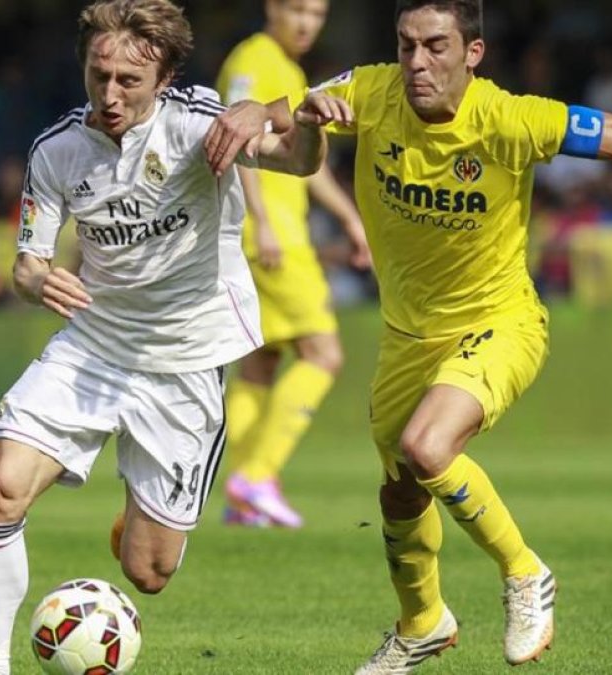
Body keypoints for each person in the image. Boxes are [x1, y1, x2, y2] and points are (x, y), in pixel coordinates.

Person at [209, 0, 612, 671]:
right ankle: (423, 623)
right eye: (407, 45)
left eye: (437, 47)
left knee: (426, 443)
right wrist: (264, 114)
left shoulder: (512, 117)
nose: (418, 63)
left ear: (473, 53)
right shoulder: (370, 88)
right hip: (406, 338)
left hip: (498, 322)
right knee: (400, 492)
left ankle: (525, 572)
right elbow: (288, 121)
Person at [0, 1, 325, 674]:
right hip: (94, 342)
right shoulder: (58, 149)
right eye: (99, 75)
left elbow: (298, 160)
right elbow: (25, 264)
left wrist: (274, 112)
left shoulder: (199, 123)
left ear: (166, 76)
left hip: (185, 360)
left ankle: (140, 520)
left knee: (148, 571)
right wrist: (39, 283)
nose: (110, 94)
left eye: (130, 80)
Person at [215, 0, 371, 528]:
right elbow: (238, 139)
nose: (307, 23)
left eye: (318, 13)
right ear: (271, 8)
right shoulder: (250, 60)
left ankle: (243, 496)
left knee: (261, 363)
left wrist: (348, 216)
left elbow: (305, 161)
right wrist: (260, 220)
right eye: (298, 10)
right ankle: (257, 475)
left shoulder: (290, 70)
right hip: (272, 236)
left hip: (269, 233)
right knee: (323, 354)